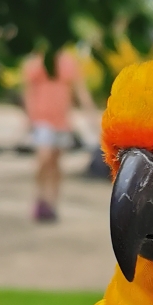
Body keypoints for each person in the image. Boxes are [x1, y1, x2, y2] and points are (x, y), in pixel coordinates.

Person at [21, 46, 94, 223]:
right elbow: (29, 91)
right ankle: (40, 197)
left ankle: (52, 202)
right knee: (43, 158)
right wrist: (29, 117)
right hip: (42, 119)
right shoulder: (36, 63)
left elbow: (80, 91)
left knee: (55, 162)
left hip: (62, 121)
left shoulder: (69, 63)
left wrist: (91, 115)